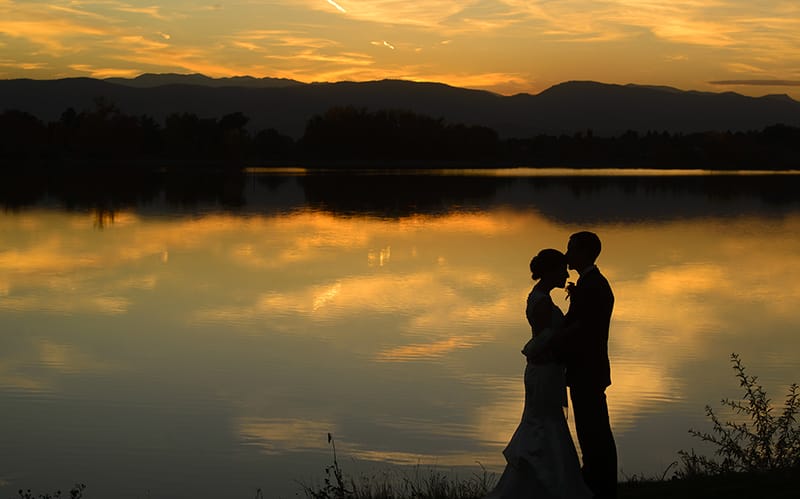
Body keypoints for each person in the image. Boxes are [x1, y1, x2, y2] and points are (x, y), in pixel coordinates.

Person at [485, 249, 592, 499]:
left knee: (544, 421)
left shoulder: (540, 298)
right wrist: (576, 327)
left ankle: (544, 483)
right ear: (550, 271)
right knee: (544, 424)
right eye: (561, 269)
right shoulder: (542, 301)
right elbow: (546, 340)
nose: (566, 274)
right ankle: (552, 485)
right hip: (544, 372)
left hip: (547, 370)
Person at [558, 231, 618, 499]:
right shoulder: (589, 283)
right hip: (585, 368)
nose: (567, 255)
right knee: (589, 427)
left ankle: (601, 483)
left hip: (588, 368)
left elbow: (583, 329)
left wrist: (552, 342)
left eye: (571, 249)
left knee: (595, 429)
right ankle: (596, 478)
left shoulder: (594, 286)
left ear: (583, 253)